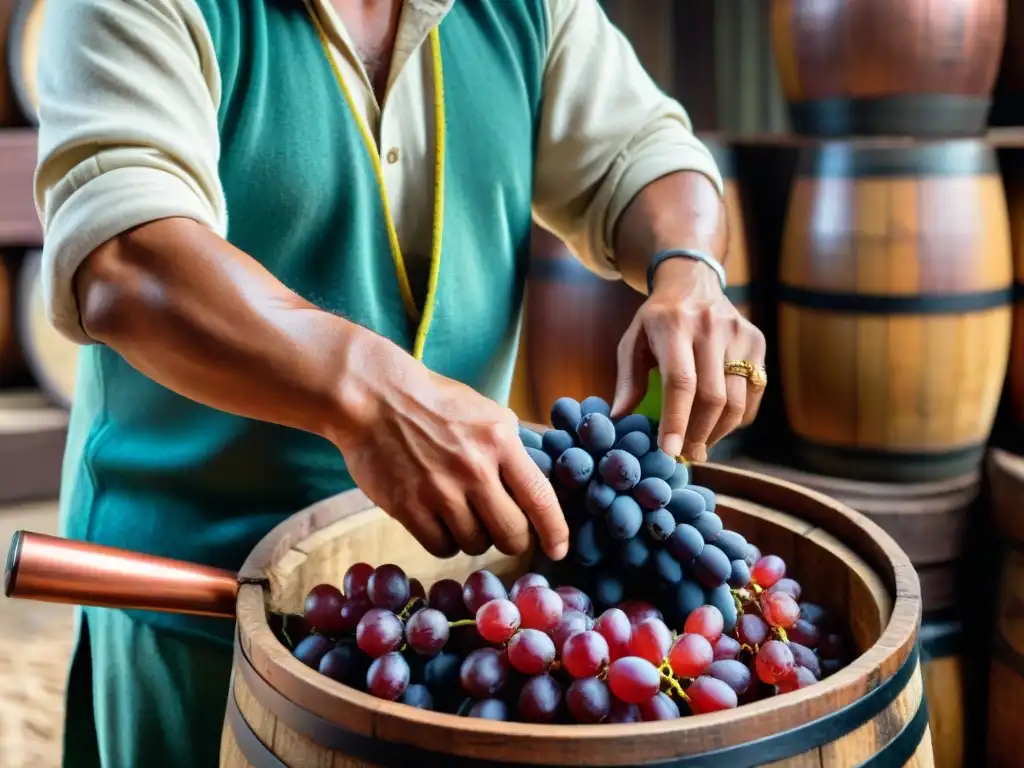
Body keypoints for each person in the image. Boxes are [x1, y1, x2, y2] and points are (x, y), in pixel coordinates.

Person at [35, 0, 766, 765]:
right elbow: (125, 261)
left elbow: (646, 148)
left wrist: (690, 271)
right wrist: (370, 393)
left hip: (434, 618)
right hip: (189, 601)